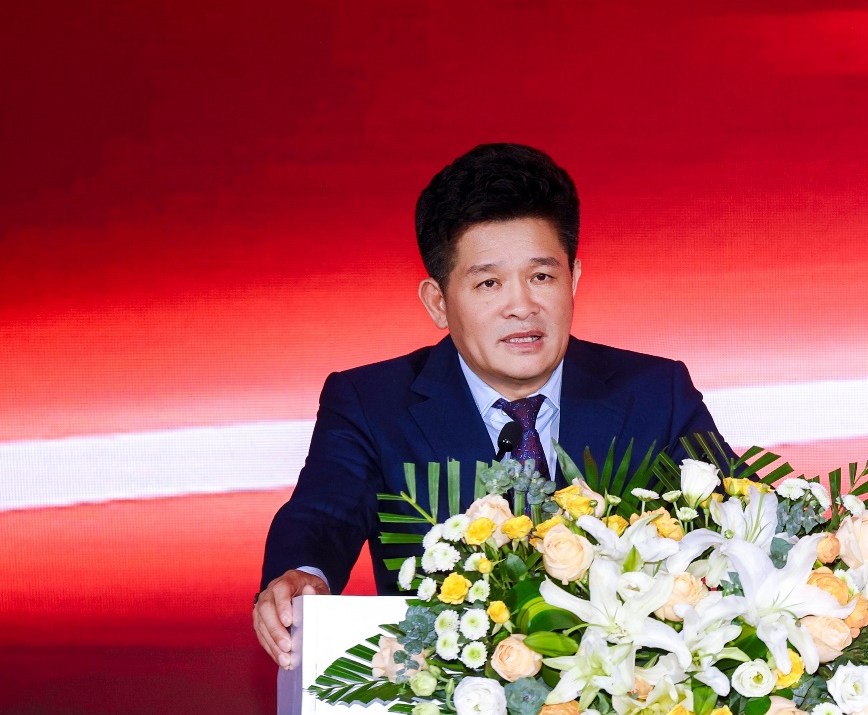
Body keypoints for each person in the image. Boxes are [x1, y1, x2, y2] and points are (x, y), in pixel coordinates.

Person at [253, 143, 730, 667]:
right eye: (488, 283)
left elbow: (736, 517)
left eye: (542, 277)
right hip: (443, 695)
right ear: (438, 302)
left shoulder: (656, 391)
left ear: (573, 280)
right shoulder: (371, 404)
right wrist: (302, 576)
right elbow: (323, 515)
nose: (522, 306)